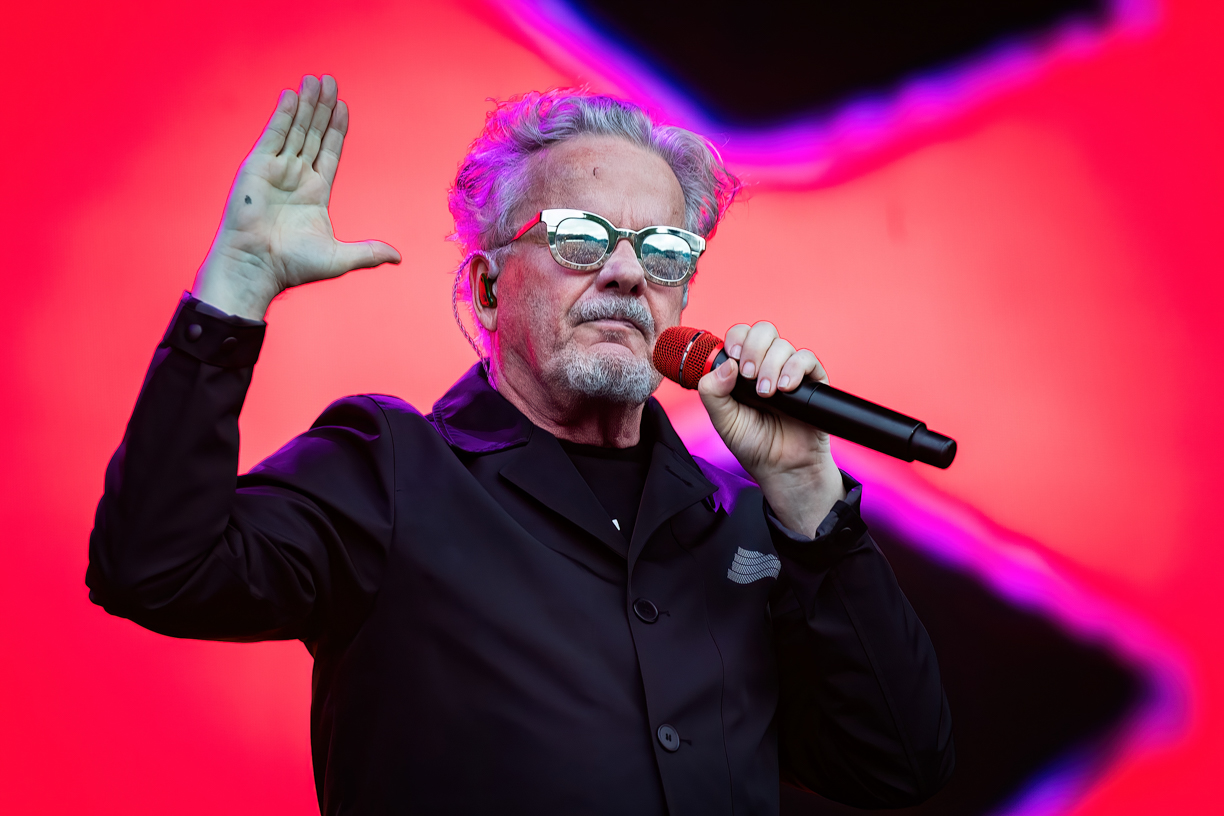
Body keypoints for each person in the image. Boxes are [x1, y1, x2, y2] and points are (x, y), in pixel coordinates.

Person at [88, 74, 954, 815]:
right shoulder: (388, 471)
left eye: (663, 250)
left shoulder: (745, 523)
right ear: (488, 286)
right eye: (580, 237)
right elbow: (154, 569)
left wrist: (806, 491)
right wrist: (235, 289)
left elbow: (899, 764)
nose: (626, 273)